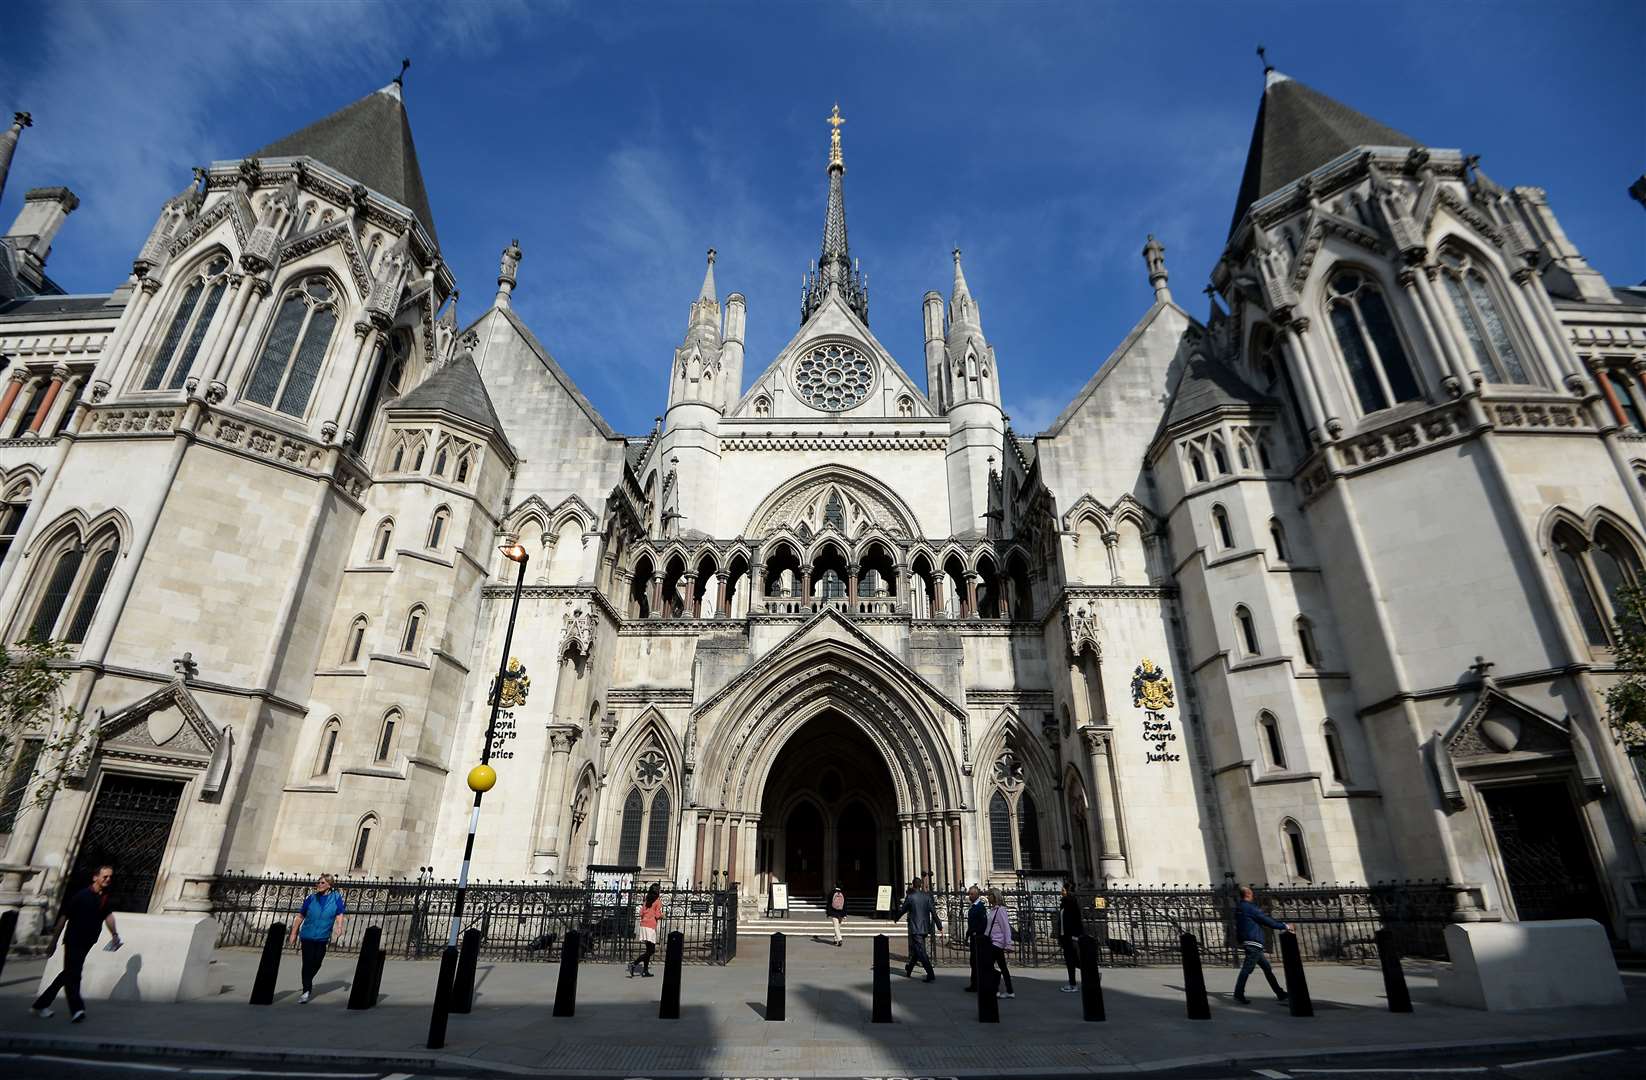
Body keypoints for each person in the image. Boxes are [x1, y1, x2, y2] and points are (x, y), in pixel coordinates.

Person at [31, 864, 120, 1022]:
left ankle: (40, 1005)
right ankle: (77, 1009)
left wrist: (114, 934)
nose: (108, 879)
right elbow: (63, 918)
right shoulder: (81, 896)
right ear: (95, 877)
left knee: (68, 973)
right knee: (74, 974)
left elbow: (108, 916)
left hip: (88, 941)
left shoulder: (104, 897)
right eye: (105, 876)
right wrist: (53, 941)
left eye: (110, 877)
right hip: (74, 939)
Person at [289, 873, 346, 1003]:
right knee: (307, 962)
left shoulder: (335, 897)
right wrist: (293, 933)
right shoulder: (311, 898)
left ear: (329, 885)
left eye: (322, 883)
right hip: (307, 936)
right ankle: (306, 990)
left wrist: (339, 926)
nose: (318, 885)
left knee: (317, 962)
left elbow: (339, 913)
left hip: (322, 936)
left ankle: (307, 980)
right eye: (318, 883)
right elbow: (300, 916)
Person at [1232, 885, 1290, 1004]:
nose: (1253, 896)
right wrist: (1285, 926)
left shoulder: (1239, 907)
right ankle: (1238, 993)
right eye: (1251, 894)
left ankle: (1280, 993)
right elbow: (1266, 920)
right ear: (1248, 894)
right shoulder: (1249, 908)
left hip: (1249, 941)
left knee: (1267, 969)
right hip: (1254, 942)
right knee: (1247, 969)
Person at [894, 877, 942, 982]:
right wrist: (939, 926)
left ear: (912, 885)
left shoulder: (910, 897)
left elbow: (903, 909)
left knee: (921, 951)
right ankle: (909, 969)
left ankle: (930, 973)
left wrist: (895, 918)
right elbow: (933, 912)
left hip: (915, 928)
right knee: (917, 950)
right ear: (920, 885)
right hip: (925, 928)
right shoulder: (927, 897)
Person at [985, 887, 1015, 999]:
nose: (988, 897)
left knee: (988, 965)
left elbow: (1006, 928)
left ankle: (996, 988)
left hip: (997, 943)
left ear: (995, 897)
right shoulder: (992, 910)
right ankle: (1010, 991)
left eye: (989, 895)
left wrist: (1008, 943)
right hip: (992, 942)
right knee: (1002, 967)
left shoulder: (1000, 910)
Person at [630, 882, 663, 977]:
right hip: (650, 926)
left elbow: (641, 913)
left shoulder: (647, 900)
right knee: (651, 950)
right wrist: (662, 915)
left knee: (648, 949)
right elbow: (657, 915)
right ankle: (635, 963)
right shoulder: (657, 901)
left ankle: (645, 971)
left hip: (643, 925)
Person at [1057, 879, 1082, 993]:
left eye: (1062, 889)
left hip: (1072, 937)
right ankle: (1072, 984)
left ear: (1067, 891)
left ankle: (1092, 977)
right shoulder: (1063, 903)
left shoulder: (1072, 903)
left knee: (1076, 961)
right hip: (1065, 937)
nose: (1061, 891)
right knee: (1070, 962)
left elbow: (1076, 920)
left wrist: (1076, 935)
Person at [961, 884, 987, 992]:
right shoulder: (973, 907)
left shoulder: (980, 907)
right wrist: (968, 933)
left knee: (976, 962)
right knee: (973, 962)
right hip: (973, 937)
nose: (969, 896)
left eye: (971, 894)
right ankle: (974, 984)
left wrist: (976, 933)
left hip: (978, 938)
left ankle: (977, 984)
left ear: (976, 895)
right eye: (969, 894)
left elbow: (983, 923)